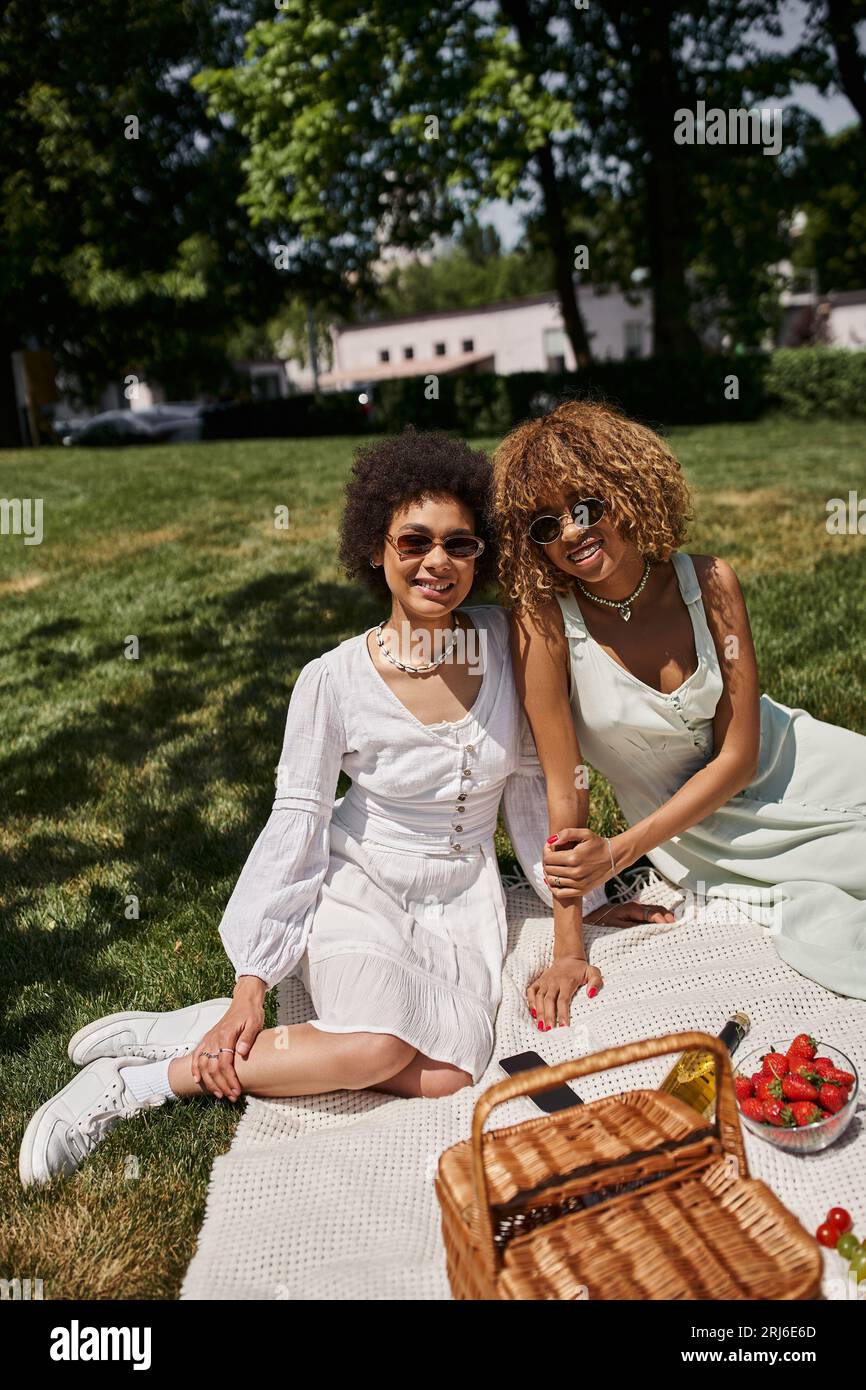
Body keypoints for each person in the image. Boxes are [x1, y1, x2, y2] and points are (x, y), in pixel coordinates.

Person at [20, 427, 667, 1188]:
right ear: (375, 548)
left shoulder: (503, 642)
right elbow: (297, 823)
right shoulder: (330, 682)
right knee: (377, 1051)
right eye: (414, 541)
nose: (438, 563)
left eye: (461, 545)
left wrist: (583, 902)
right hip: (361, 884)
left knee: (450, 1075)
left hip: (462, 901)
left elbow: (530, 791)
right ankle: (146, 1080)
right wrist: (251, 982)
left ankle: (183, 1028)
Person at [491, 399, 866, 1001]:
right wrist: (569, 949)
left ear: (628, 490)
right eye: (544, 525)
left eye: (586, 507)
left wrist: (620, 852)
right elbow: (569, 787)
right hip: (696, 834)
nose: (570, 532)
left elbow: (740, 757)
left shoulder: (712, 581)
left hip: (792, 762)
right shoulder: (544, 624)